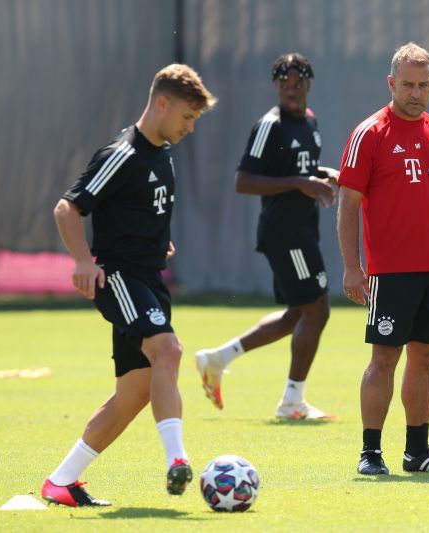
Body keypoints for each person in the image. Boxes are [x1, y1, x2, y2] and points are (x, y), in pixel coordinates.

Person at [43, 64, 217, 507]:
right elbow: (68, 208)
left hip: (148, 278)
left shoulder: (162, 152)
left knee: (135, 392)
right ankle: (177, 460)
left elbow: (140, 210)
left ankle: (61, 482)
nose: (190, 127)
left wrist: (161, 242)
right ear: (162, 103)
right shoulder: (121, 153)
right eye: (187, 117)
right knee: (169, 350)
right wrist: (83, 260)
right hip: (119, 277)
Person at [337, 42, 429, 475]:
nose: (415, 93)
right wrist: (352, 266)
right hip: (389, 272)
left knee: (426, 357)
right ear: (391, 84)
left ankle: (418, 452)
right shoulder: (370, 133)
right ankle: (370, 453)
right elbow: (348, 203)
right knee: (384, 357)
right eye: (407, 85)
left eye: (423, 85)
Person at [195, 53, 336, 420]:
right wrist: (300, 183)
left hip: (301, 228)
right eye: (284, 85)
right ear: (275, 86)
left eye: (298, 84)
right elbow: (244, 180)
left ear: (309, 84)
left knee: (298, 314)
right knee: (318, 309)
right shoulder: (269, 126)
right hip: (285, 232)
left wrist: (322, 174)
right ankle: (292, 401)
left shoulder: (310, 121)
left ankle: (218, 358)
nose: (291, 91)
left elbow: (299, 169)